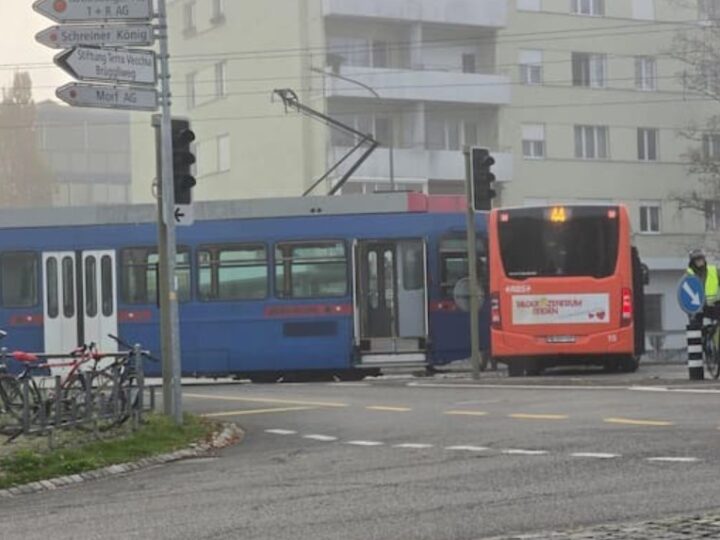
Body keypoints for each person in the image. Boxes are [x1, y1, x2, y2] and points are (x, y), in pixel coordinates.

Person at [687, 249, 720, 323]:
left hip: (714, 306)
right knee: (695, 329)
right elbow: (685, 294)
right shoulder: (689, 275)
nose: (699, 261)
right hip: (696, 308)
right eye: (696, 259)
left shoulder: (713, 270)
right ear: (692, 261)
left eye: (701, 258)